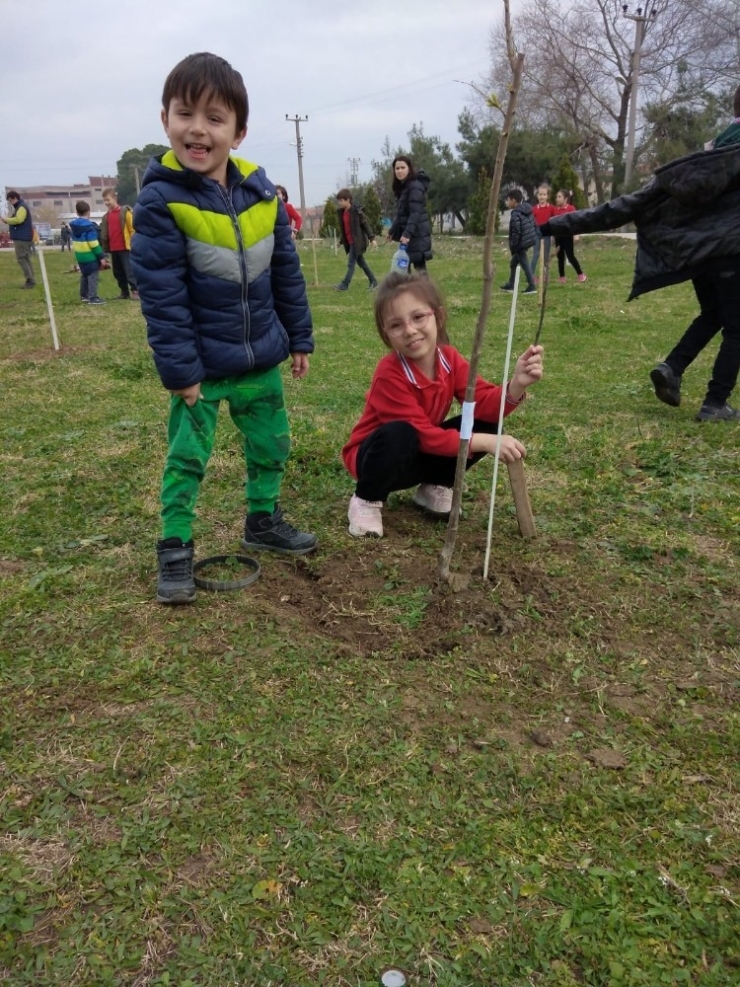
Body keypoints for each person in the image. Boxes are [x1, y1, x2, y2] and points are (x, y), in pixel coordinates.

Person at [131, 51, 317, 605]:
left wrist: (299, 336)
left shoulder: (263, 196)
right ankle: (175, 548)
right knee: (187, 458)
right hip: (203, 370)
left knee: (272, 445)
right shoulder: (160, 201)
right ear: (165, 119)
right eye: (185, 113)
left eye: (215, 118)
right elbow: (162, 300)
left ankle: (262, 519)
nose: (198, 128)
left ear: (238, 132)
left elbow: (286, 273)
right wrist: (181, 372)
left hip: (261, 358)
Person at [541, 141, 740, 422]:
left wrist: (551, 226)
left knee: (713, 314)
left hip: (701, 255)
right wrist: (552, 225)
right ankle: (716, 402)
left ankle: (672, 368)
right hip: (732, 252)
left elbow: (626, 205)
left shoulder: (704, 159)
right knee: (736, 328)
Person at [342, 272, 543, 538]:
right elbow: (423, 435)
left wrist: (517, 383)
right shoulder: (389, 373)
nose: (410, 330)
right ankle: (366, 500)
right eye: (396, 325)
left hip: (419, 451)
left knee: (486, 420)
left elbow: (484, 404)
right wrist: (485, 442)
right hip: (376, 459)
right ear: (386, 334)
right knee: (401, 433)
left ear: (437, 315)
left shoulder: (449, 359)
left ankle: (435, 485)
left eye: (418, 317)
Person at [388, 155, 432, 273]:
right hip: (411, 234)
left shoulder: (414, 187)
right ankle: (412, 289)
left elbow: (415, 213)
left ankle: (423, 290)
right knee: (407, 266)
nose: (400, 171)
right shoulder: (404, 188)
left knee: (417, 267)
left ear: (409, 169)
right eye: (397, 168)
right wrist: (392, 231)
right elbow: (402, 214)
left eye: (403, 167)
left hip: (416, 234)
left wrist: (407, 234)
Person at [333, 189, 378, 291]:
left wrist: (372, 238)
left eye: (341, 200)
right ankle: (373, 281)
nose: (339, 203)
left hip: (357, 242)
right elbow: (346, 230)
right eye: (338, 201)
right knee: (362, 263)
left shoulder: (357, 212)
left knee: (351, 264)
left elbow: (365, 225)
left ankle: (345, 284)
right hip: (349, 242)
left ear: (348, 200)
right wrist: (341, 242)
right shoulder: (342, 213)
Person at [100, 188, 139, 300]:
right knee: (118, 272)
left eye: (108, 200)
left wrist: (133, 243)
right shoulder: (106, 216)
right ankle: (124, 292)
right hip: (114, 248)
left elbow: (132, 229)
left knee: (129, 270)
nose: (106, 202)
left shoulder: (125, 212)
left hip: (125, 247)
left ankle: (135, 290)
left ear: (114, 198)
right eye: (104, 201)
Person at [500, 189, 537, 295]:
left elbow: (516, 231)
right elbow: (532, 224)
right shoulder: (527, 209)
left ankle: (532, 285)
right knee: (513, 263)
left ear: (513, 200)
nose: (507, 202)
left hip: (520, 243)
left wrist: (514, 245)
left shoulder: (516, 213)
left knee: (525, 264)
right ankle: (511, 285)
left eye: (508, 200)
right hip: (527, 240)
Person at [69, 200, 106, 305]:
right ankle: (92, 297)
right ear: (89, 212)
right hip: (90, 256)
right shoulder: (89, 227)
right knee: (93, 276)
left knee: (84, 275)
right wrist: (101, 257)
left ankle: (84, 295)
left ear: (77, 213)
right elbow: (93, 244)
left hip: (80, 256)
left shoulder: (74, 227)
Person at [2, 191, 36, 288]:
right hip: (24, 237)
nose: (10, 203)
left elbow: (19, 219)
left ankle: (30, 280)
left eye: (10, 200)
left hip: (22, 238)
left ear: (14, 198)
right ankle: (31, 279)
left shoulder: (21, 207)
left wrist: (7, 219)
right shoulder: (20, 206)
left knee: (22, 259)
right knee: (26, 258)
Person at [552, 190, 587, 283]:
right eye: (557, 197)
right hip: (558, 237)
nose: (557, 199)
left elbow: (575, 223)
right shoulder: (555, 210)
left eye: (559, 197)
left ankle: (580, 274)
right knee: (560, 257)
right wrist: (553, 236)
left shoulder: (571, 209)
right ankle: (562, 277)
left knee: (570, 256)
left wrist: (576, 235)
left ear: (566, 199)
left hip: (568, 236)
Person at [531, 184, 554, 280]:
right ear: (537, 196)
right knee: (536, 253)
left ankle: (545, 274)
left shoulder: (551, 208)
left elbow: (554, 220)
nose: (542, 197)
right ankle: (531, 274)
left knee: (546, 254)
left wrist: (553, 234)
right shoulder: (534, 209)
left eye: (544, 194)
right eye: (540, 194)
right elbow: (531, 221)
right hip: (536, 232)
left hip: (547, 233)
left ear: (547, 196)